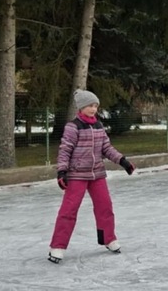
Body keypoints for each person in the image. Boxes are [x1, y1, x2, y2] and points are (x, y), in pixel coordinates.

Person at [47, 89, 135, 264]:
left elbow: (107, 149)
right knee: (69, 211)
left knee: (105, 207)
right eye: (89, 105)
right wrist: (62, 171)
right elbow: (65, 150)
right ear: (81, 107)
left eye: (95, 106)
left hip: (97, 174)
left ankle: (108, 239)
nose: (93, 109)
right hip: (77, 175)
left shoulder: (98, 126)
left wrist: (122, 161)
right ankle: (57, 246)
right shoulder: (73, 127)